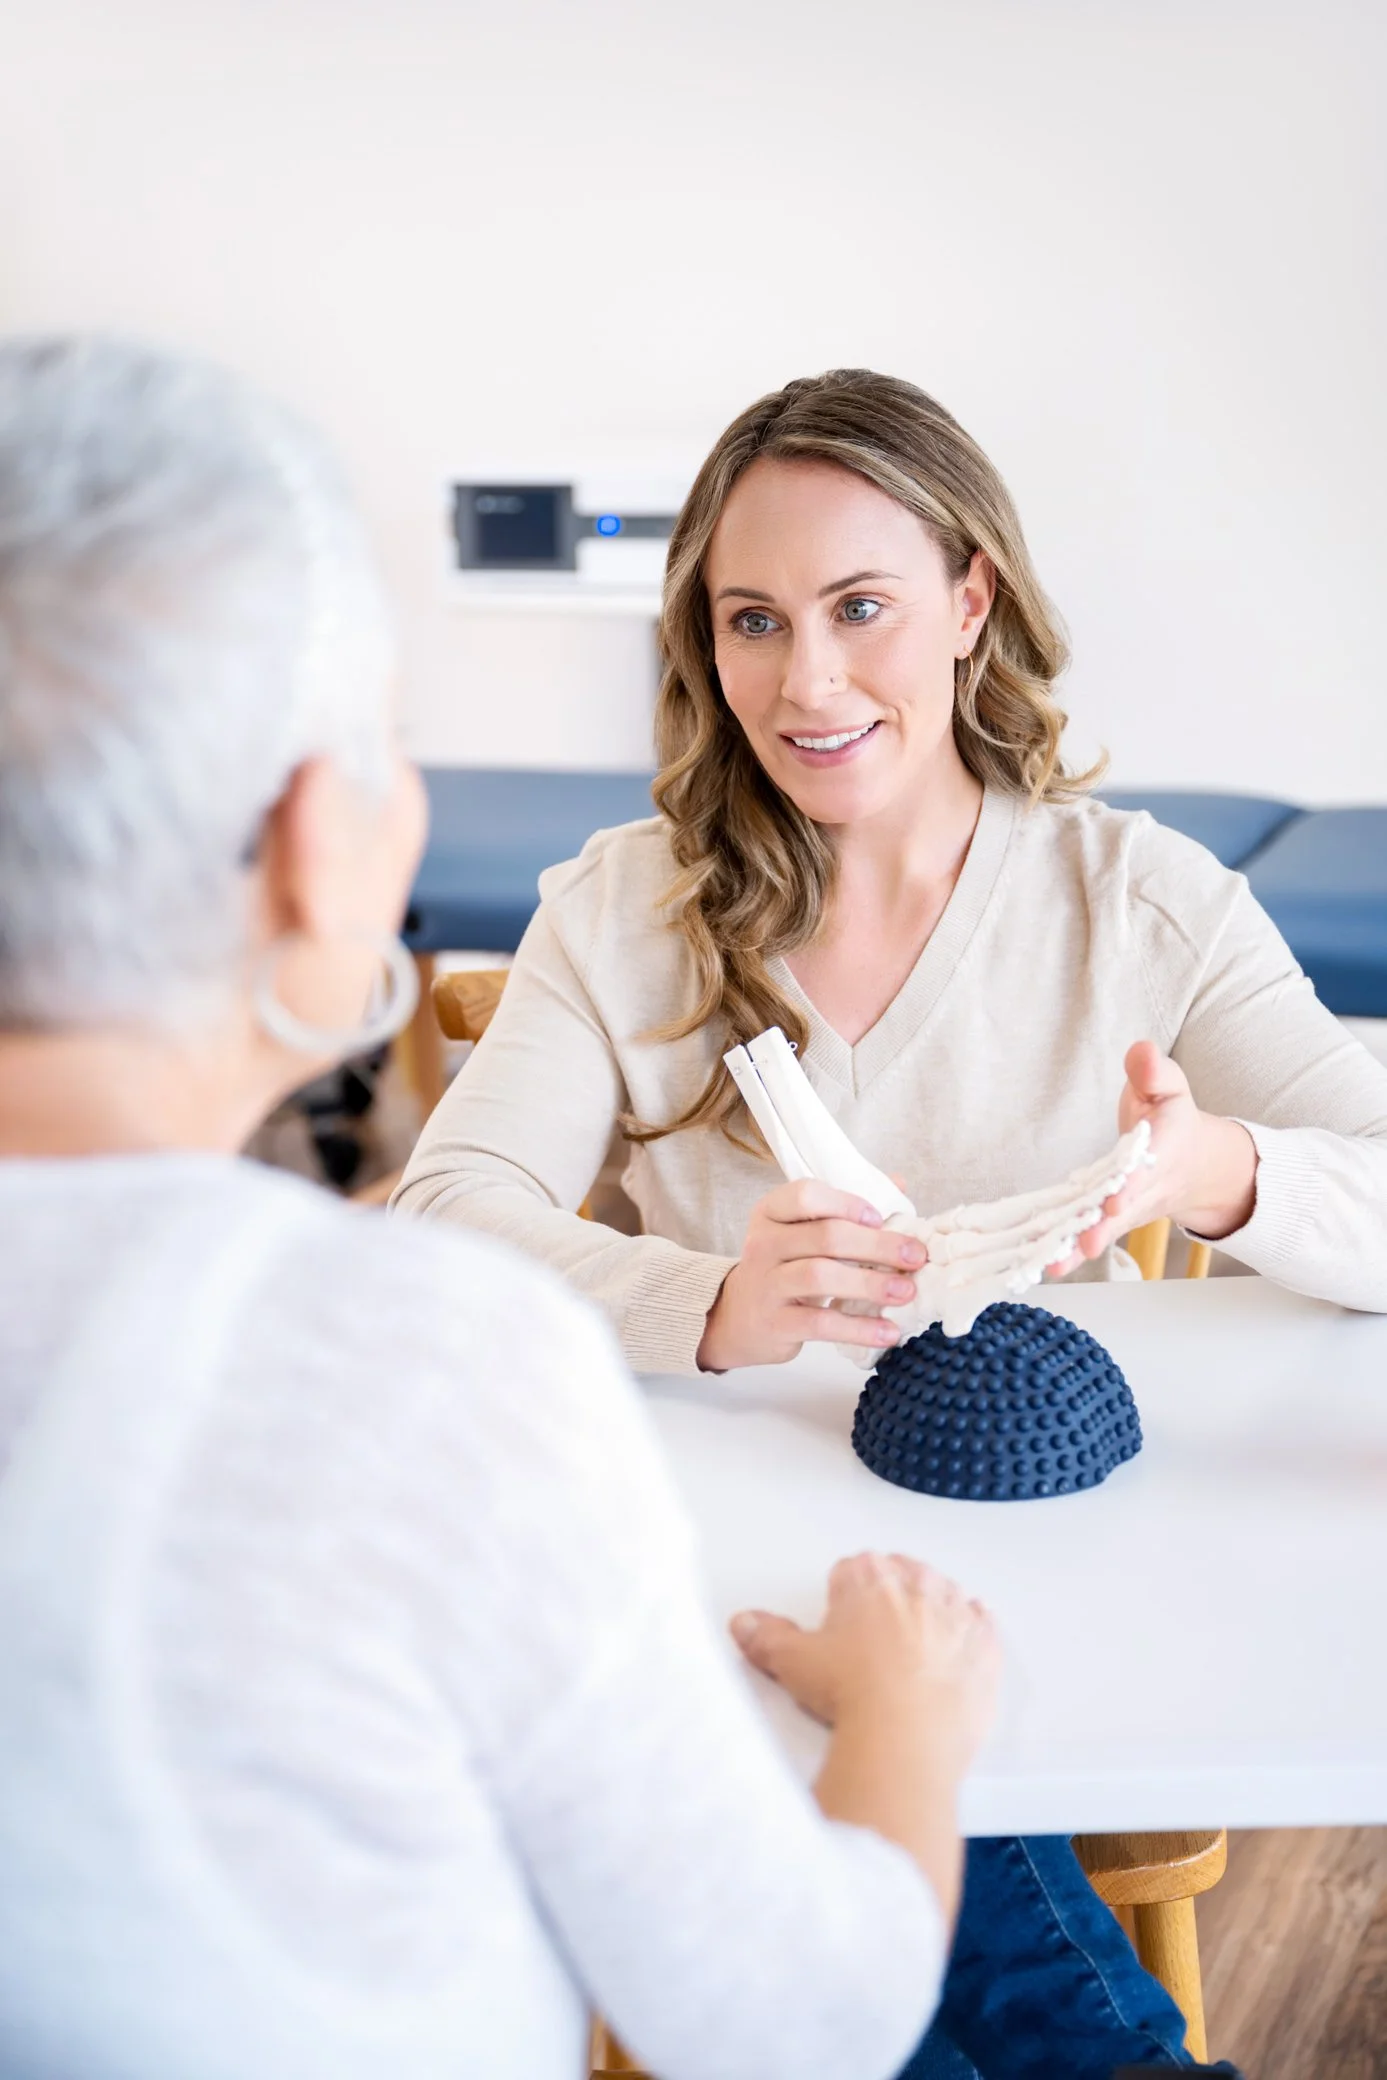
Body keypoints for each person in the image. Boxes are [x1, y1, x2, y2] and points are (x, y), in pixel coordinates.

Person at [0, 337, 1008, 2080]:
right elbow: (796, 2019)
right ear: (326, 840)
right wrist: (910, 1721)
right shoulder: (424, 1373)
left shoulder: (1125, 891)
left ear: (969, 607)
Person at [395, 366, 1387, 2075]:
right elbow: (444, 1222)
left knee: (878, 1792)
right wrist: (709, 1300)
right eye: (752, 621)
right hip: (732, 1581)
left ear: (968, 602)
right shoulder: (627, 910)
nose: (809, 679)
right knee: (866, 1749)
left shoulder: (1137, 905)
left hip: (1048, 1569)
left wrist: (1224, 1172)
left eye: (860, 607)